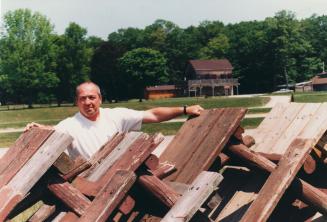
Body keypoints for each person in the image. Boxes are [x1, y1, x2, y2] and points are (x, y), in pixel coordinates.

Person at [26, 81, 204, 159]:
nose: (87, 102)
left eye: (91, 97)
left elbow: (153, 115)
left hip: (120, 175)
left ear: (100, 99)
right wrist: (38, 127)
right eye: (83, 98)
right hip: (90, 183)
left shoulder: (116, 115)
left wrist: (185, 109)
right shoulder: (69, 125)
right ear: (76, 102)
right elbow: (52, 132)